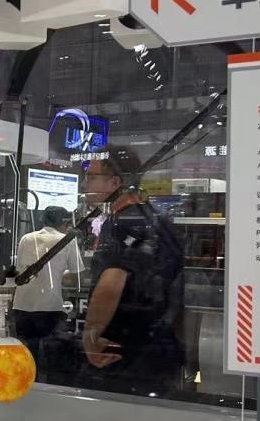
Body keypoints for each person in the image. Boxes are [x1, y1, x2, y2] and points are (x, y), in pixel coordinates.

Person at [78, 148, 185, 397]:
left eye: (91, 177)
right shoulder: (155, 218)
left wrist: (90, 336)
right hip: (156, 343)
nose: (84, 184)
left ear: (115, 182)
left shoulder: (123, 222)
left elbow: (111, 284)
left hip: (120, 350)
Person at [11, 205, 81, 369]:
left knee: (27, 356)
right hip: (50, 306)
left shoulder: (26, 238)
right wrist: (59, 273)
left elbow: (20, 268)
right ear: (65, 222)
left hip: (22, 305)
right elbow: (76, 275)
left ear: (43, 220)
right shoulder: (67, 240)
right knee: (52, 357)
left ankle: (30, 382)